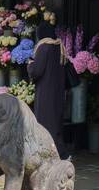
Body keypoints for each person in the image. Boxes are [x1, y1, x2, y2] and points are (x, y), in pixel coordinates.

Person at [28, 22, 76, 157]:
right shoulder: (59, 47)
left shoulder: (44, 48)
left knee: (45, 125)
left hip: (45, 94)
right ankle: (61, 153)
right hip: (58, 93)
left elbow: (36, 71)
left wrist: (30, 65)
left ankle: (57, 154)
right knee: (56, 126)